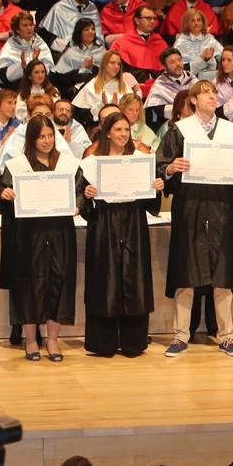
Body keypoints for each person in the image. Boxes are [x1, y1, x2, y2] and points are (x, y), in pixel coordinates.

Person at [156, 79, 233, 358]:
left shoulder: (230, 131)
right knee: (187, 273)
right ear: (193, 100)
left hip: (222, 207)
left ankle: (226, 335)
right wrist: (171, 168)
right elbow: (161, 165)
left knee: (223, 273)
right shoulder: (179, 130)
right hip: (190, 207)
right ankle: (180, 335)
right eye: (205, 93)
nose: (212, 97)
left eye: (214, 92)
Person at [0, 114, 79, 362]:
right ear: (31, 138)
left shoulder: (67, 164)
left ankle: (52, 339)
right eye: (41, 136)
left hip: (60, 233)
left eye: (50, 136)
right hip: (27, 235)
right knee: (27, 284)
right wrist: (4, 194)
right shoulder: (18, 165)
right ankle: (31, 340)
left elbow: (82, 191)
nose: (47, 141)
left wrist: (79, 204)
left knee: (59, 283)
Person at [77, 113, 163, 358]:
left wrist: (155, 189)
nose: (124, 134)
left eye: (127, 129)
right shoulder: (93, 162)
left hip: (133, 223)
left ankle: (133, 342)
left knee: (134, 281)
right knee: (105, 282)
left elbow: (149, 202)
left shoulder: (140, 159)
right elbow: (84, 202)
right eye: (118, 130)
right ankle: (103, 343)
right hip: (104, 225)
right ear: (107, 133)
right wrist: (89, 195)